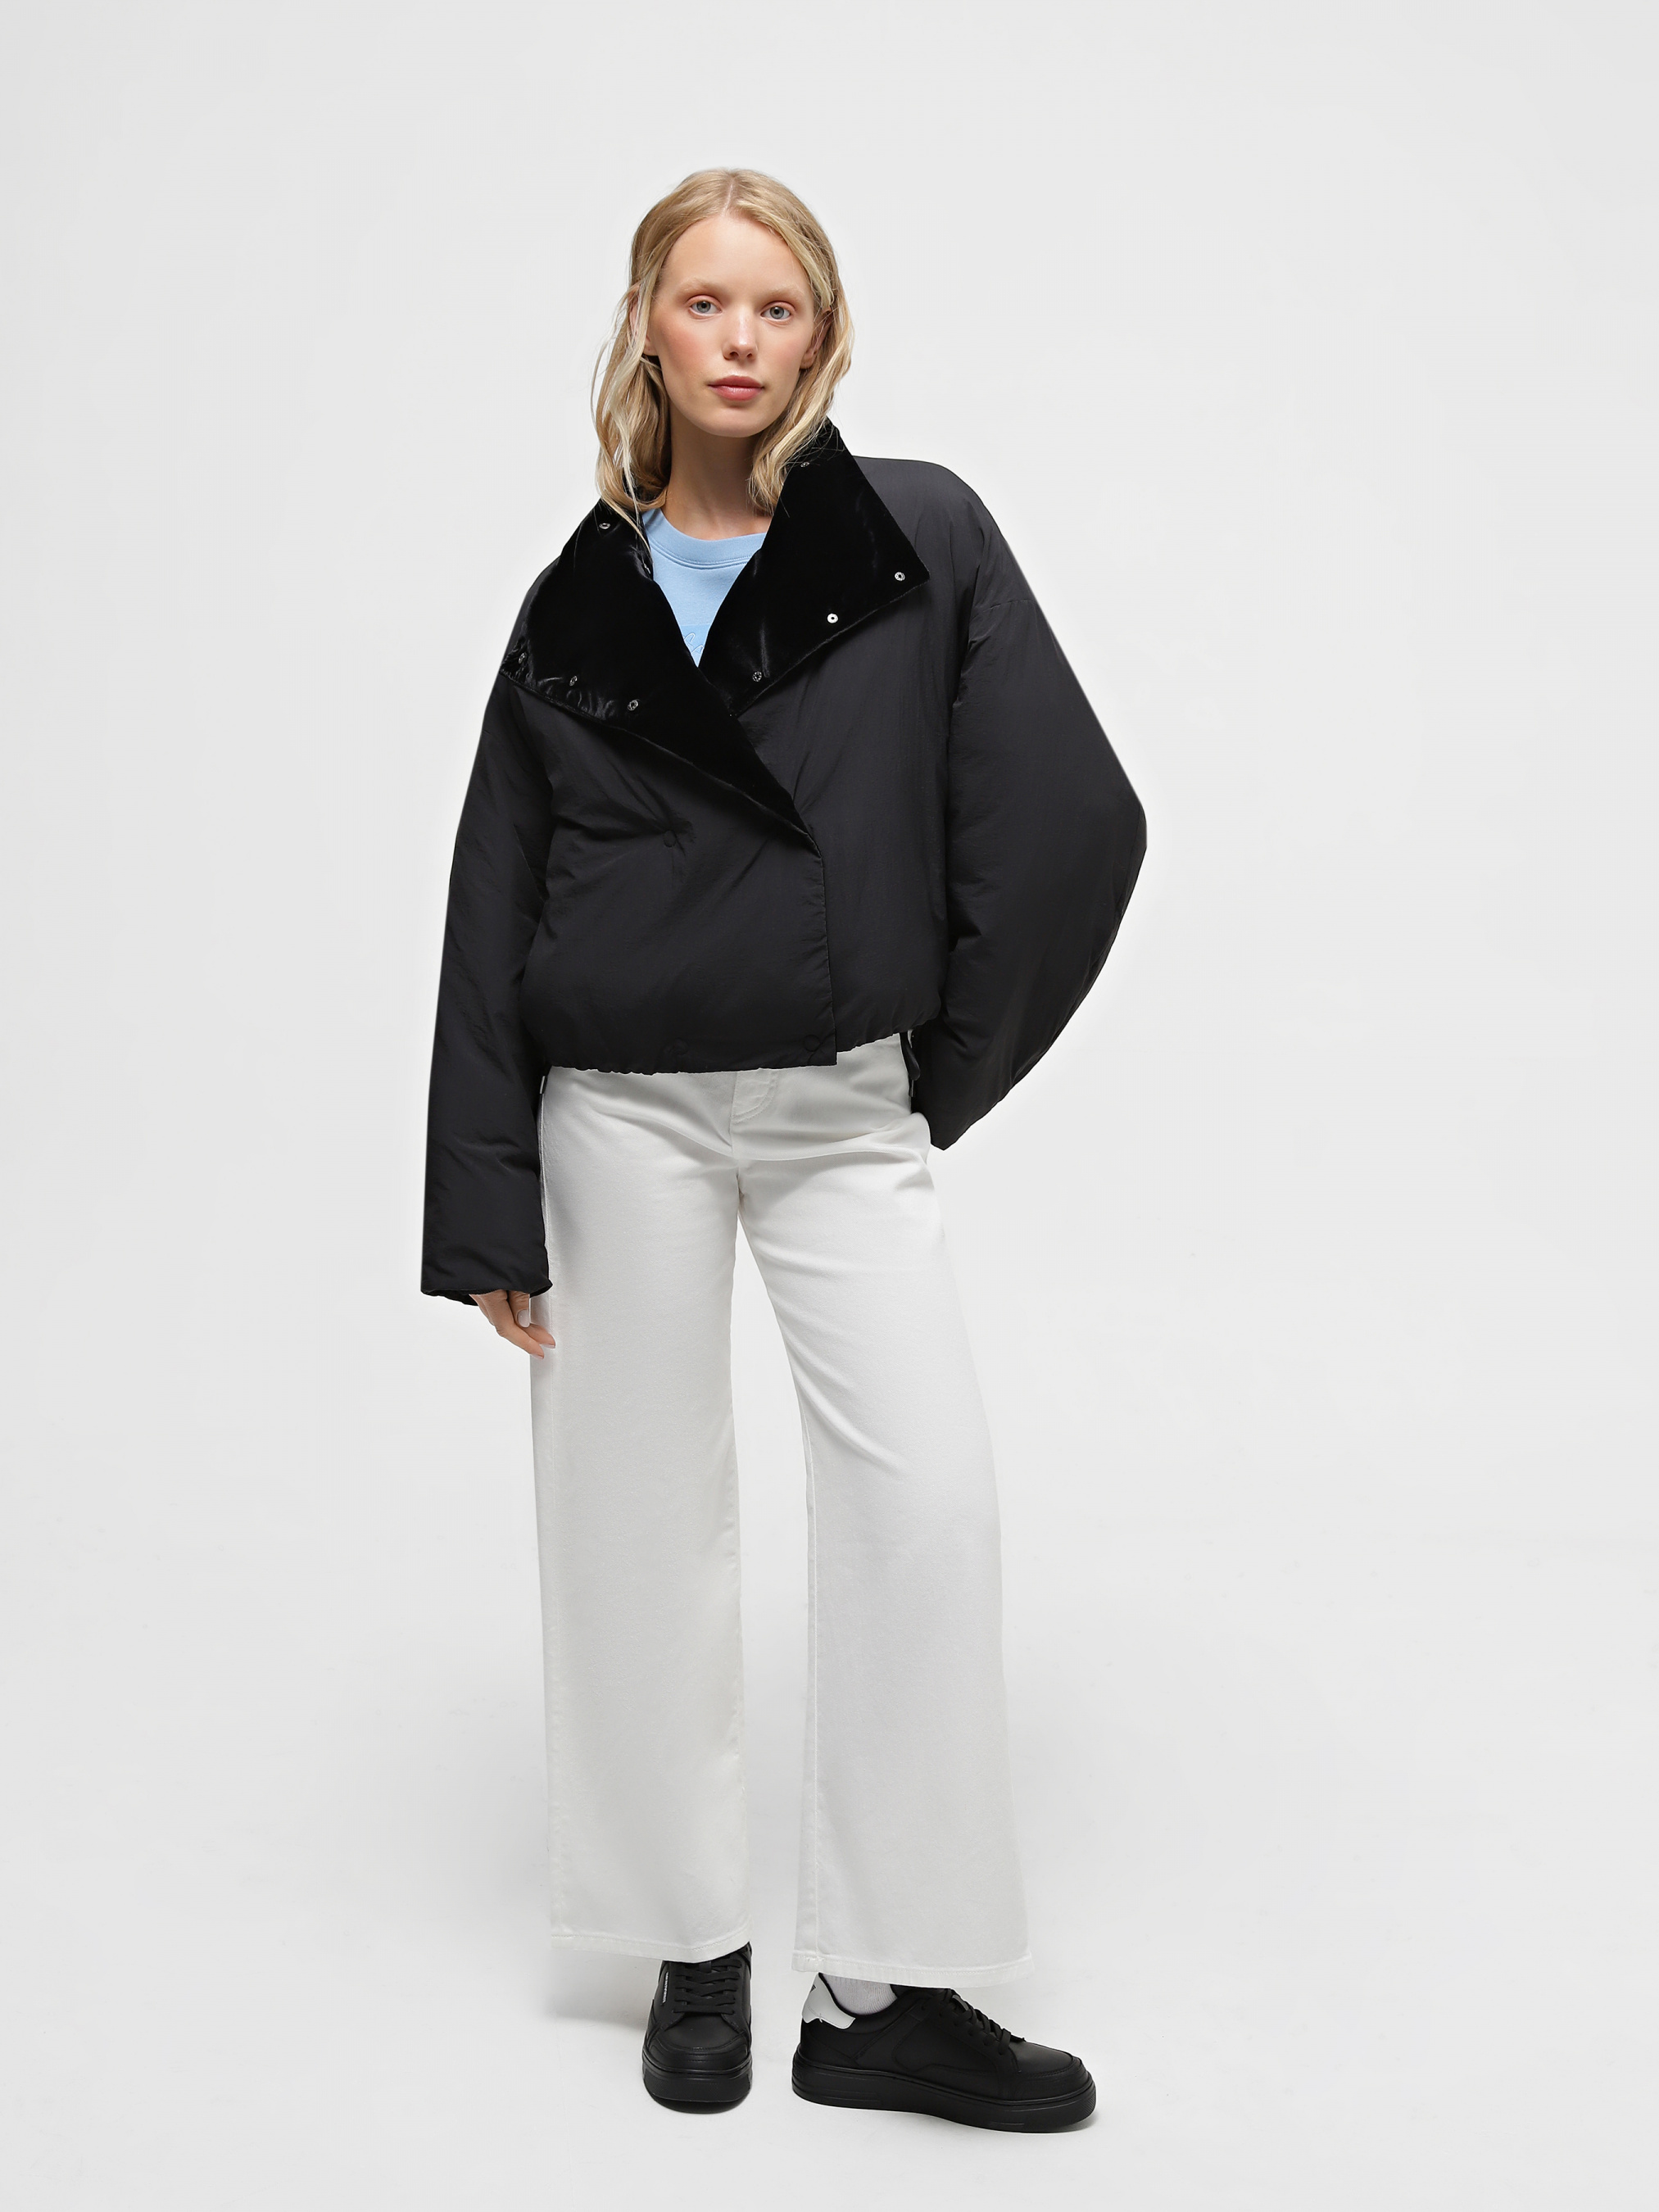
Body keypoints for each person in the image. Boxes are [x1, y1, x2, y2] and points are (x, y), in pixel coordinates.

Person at [422, 168, 1145, 2131]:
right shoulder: (575, 598)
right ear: (643, 325)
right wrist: (488, 1202)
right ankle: (688, 1947)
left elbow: (1066, 822)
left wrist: (932, 1072)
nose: (738, 339)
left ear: (821, 334)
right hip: (617, 1111)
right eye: (703, 300)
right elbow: (492, 903)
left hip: (840, 1106)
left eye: (777, 306)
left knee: (930, 1503)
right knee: (632, 1523)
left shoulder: (915, 536)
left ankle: (886, 1988)